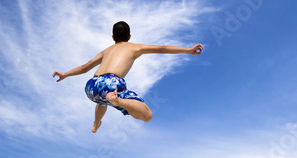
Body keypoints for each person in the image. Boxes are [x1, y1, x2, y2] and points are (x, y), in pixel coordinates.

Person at [53, 21, 204, 133]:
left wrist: (64, 74)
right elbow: (163, 48)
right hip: (111, 84)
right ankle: (118, 100)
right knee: (147, 115)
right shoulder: (134, 47)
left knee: (103, 99)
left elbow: (84, 67)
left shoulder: (106, 51)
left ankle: (96, 122)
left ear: (113, 37)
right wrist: (188, 50)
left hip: (91, 86)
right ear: (130, 36)